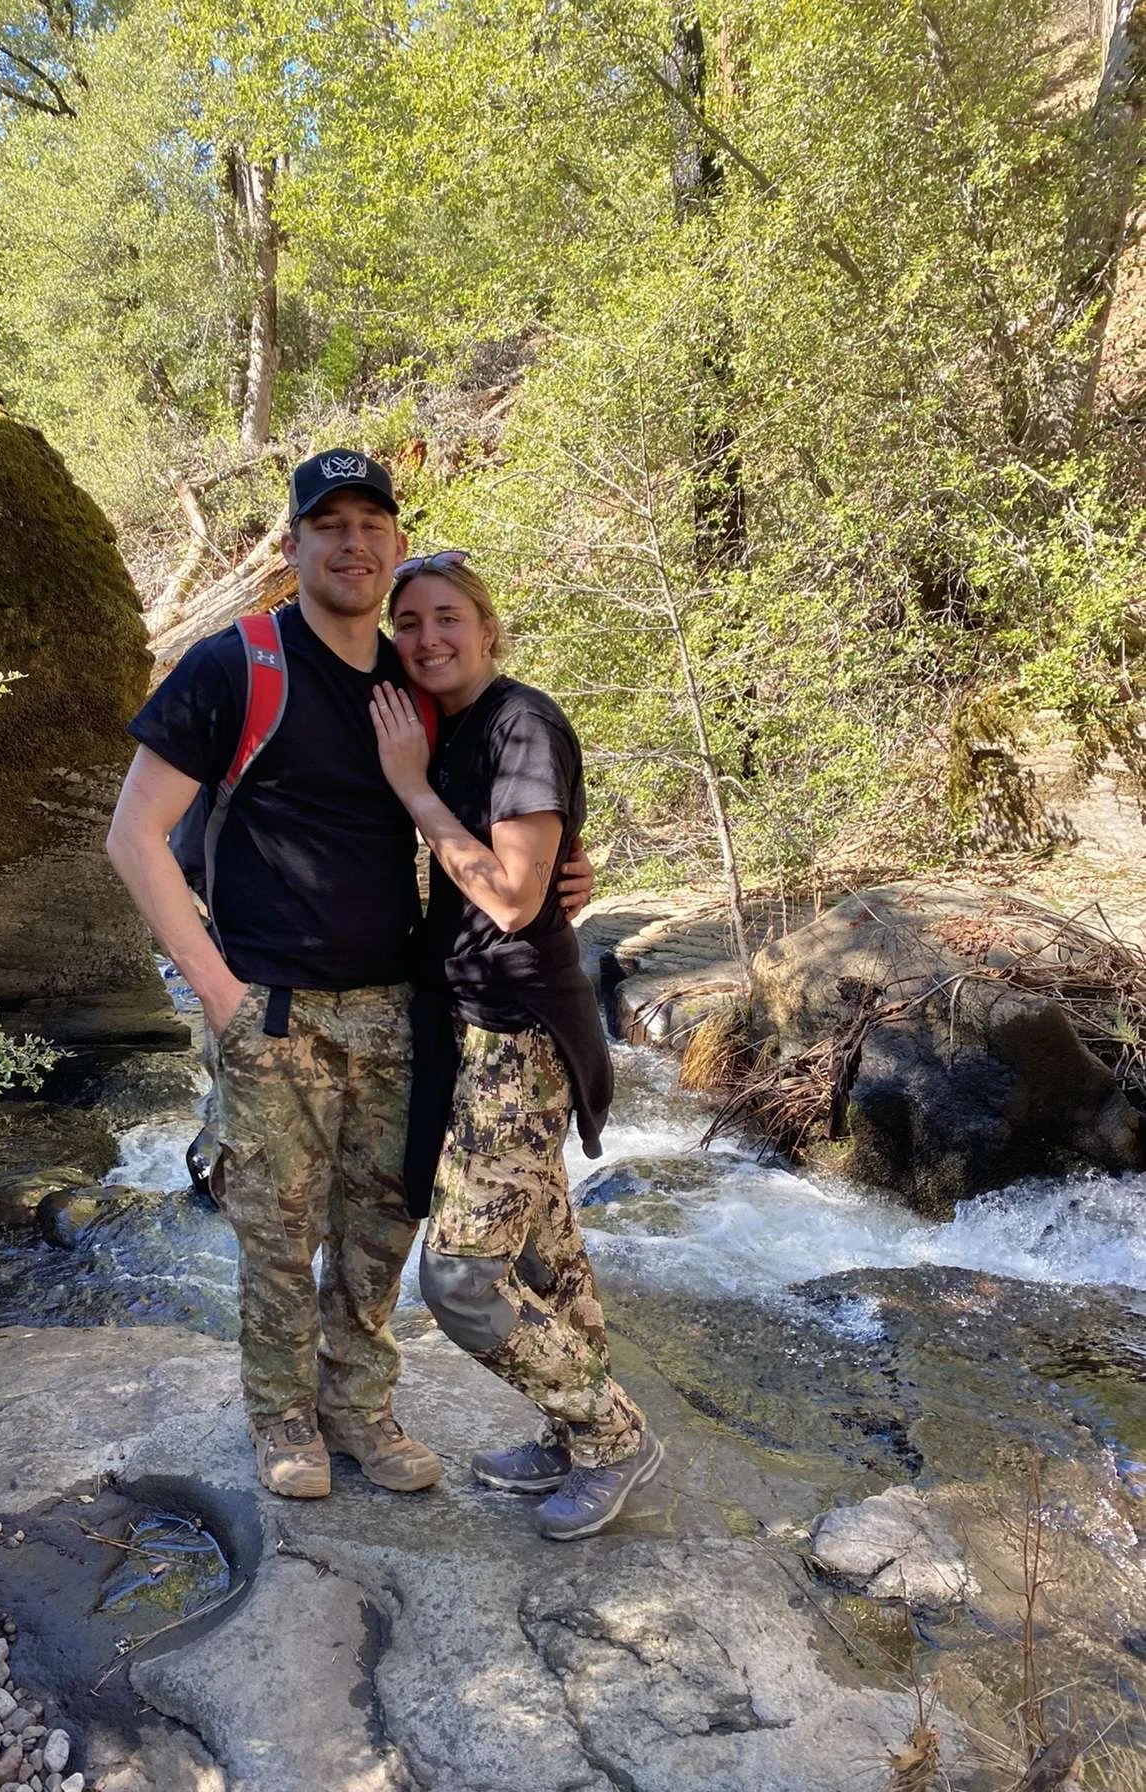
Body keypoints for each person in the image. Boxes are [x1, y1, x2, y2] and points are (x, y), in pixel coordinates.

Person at [105, 452, 593, 1503]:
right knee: (278, 1241)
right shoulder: (236, 666)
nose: (353, 542)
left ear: (395, 543)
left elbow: (491, 831)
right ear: (292, 547)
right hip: (270, 1007)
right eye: (328, 524)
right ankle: (282, 1420)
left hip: (401, 1008)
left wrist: (564, 875)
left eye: (372, 521)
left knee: (379, 1234)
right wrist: (220, 996)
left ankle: (360, 1408)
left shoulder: (415, 680)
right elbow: (133, 836)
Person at [369, 553, 661, 1541]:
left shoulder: (518, 723)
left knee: (457, 1279)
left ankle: (612, 1436)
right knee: (542, 1253)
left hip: (517, 1032)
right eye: (406, 622)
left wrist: (411, 789)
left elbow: (511, 896)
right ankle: (572, 1430)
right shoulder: (448, 728)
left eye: (447, 616)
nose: (427, 638)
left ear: (488, 628)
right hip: (473, 1028)